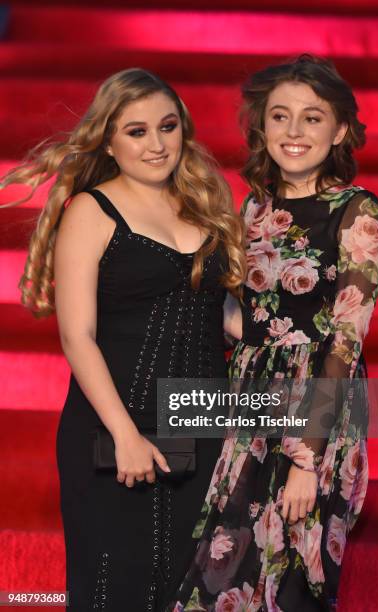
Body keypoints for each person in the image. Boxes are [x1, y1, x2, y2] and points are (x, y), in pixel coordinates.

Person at [0, 68, 246, 611]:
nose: (157, 145)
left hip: (201, 421)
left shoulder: (203, 203)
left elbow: (219, 310)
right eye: (137, 132)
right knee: (117, 589)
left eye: (167, 126)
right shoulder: (91, 210)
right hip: (118, 425)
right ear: (108, 140)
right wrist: (126, 433)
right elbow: (77, 336)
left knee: (189, 591)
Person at [169, 55, 378, 611]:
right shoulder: (252, 209)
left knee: (294, 579)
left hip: (318, 409)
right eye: (280, 117)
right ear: (261, 128)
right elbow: (247, 319)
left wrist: (305, 460)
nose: (294, 132)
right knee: (225, 575)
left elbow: (344, 337)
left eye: (312, 118)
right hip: (251, 405)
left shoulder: (356, 209)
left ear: (339, 129)